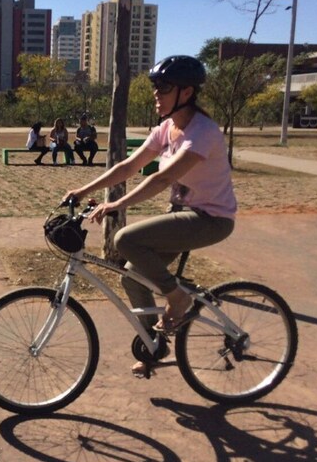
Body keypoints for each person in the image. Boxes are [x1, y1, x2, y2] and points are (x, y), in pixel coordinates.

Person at [64, 55, 236, 376]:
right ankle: (154, 345)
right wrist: (83, 190)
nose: (157, 93)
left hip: (211, 219)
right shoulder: (167, 128)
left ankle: (178, 299)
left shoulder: (203, 132)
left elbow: (162, 179)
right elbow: (128, 166)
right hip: (183, 214)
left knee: (126, 238)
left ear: (186, 93)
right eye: (155, 87)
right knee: (132, 273)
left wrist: (116, 205)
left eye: (164, 87)